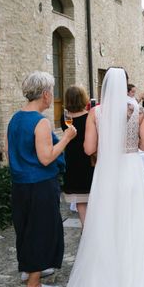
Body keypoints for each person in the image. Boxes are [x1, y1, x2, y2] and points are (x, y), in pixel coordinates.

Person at [46, 68, 144, 287]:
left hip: (107, 173)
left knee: (106, 226)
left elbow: (89, 149)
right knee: (131, 227)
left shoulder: (96, 112)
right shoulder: (137, 110)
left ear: (104, 85)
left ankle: (104, 285)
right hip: (131, 172)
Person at [7, 71, 76, 287]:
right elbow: (46, 157)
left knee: (25, 229)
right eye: (52, 91)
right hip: (39, 184)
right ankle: (34, 286)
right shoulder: (41, 122)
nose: (52, 96)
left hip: (20, 185)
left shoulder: (15, 118)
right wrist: (66, 138)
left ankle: (30, 270)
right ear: (45, 94)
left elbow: (12, 152)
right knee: (41, 230)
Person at [60, 85, 93, 227]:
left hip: (72, 159)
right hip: (87, 158)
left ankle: (85, 228)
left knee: (80, 199)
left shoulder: (64, 118)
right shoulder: (89, 117)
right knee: (92, 195)